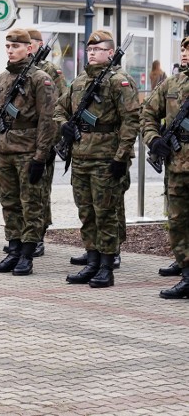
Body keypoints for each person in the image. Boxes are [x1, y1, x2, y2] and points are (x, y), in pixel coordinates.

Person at [54, 30, 140, 287]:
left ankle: (106, 266)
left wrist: (120, 157)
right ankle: (91, 262)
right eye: (89, 49)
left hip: (106, 158)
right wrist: (64, 126)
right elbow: (59, 107)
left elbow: (130, 121)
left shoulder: (119, 81)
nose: (92, 52)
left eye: (98, 49)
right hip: (80, 156)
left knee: (106, 214)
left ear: (110, 53)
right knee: (87, 213)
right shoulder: (80, 81)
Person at [0, 29, 57, 276]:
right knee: (10, 203)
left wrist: (41, 156)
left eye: (16, 47)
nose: (11, 50)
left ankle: (27, 254)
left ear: (29, 49)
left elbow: (48, 120)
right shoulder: (3, 78)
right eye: (8, 47)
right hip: (5, 150)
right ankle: (13, 250)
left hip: (28, 151)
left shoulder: (39, 79)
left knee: (31, 204)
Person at [142, 37, 189, 297]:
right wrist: (154, 138)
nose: (184, 54)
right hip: (177, 165)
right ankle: (186, 275)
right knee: (178, 221)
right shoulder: (171, 84)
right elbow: (147, 113)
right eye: (183, 49)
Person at [26, 28, 67, 256]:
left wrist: (53, 142)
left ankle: (39, 235)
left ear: (39, 45)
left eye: (31, 44)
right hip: (22, 142)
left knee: (40, 191)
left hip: (43, 141)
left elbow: (60, 107)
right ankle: (25, 235)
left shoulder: (50, 70)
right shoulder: (21, 70)